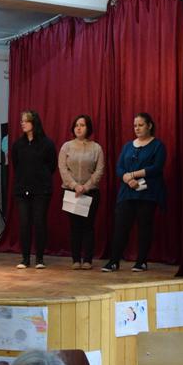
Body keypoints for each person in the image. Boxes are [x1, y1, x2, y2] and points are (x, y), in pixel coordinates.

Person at [102, 113, 167, 273]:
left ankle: (141, 261)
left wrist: (133, 174)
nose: (137, 128)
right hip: (127, 192)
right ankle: (113, 261)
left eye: (140, 125)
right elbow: (119, 167)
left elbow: (156, 167)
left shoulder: (158, 146)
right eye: (135, 126)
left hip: (148, 193)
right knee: (120, 226)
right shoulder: (127, 146)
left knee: (144, 227)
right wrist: (126, 177)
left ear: (149, 126)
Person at [11, 110, 57, 269]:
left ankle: (39, 258)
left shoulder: (47, 143)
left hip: (41, 190)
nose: (22, 123)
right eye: (21, 121)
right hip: (22, 190)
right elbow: (16, 165)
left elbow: (52, 165)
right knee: (24, 223)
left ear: (34, 123)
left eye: (26, 121)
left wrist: (40, 178)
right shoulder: (18, 144)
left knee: (39, 222)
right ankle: (25, 258)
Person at [59, 114, 104, 270]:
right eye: (76, 125)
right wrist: (74, 185)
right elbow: (63, 168)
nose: (79, 128)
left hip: (90, 192)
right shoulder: (66, 146)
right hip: (71, 192)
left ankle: (88, 260)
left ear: (88, 128)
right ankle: (76, 259)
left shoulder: (96, 148)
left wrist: (86, 186)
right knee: (75, 227)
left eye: (82, 125)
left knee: (88, 227)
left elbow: (99, 170)